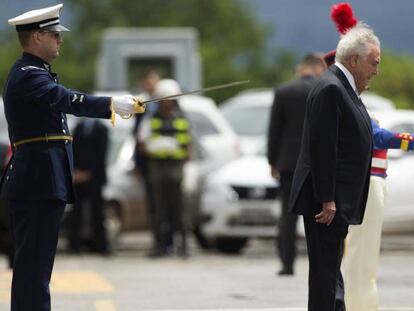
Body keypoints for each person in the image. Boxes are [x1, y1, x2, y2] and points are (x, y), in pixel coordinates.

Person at [1, 4, 145, 310]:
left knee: (37, 269)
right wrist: (110, 105)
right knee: (33, 271)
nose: (60, 40)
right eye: (54, 35)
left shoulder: (36, 74)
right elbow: (65, 99)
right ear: (37, 37)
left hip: (41, 183)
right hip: (36, 184)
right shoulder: (28, 76)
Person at [288, 23, 380, 310]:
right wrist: (327, 199)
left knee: (330, 272)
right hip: (326, 203)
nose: (376, 70)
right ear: (354, 60)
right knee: (325, 275)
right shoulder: (331, 88)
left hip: (336, 200)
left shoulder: (342, 87)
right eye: (373, 63)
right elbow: (323, 149)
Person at [267, 53, 326, 276]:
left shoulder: (283, 91)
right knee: (319, 214)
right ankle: (320, 263)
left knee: (288, 215)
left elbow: (275, 131)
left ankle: (287, 263)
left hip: (289, 163)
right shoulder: (323, 89)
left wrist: (273, 161)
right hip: (317, 161)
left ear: (299, 68)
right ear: (318, 68)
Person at [137, 79, 191, 258]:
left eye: (170, 99)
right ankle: (159, 245)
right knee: (159, 210)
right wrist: (156, 147)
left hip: (176, 168)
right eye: (164, 99)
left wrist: (177, 149)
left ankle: (183, 246)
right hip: (157, 168)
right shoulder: (150, 120)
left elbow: (189, 146)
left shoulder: (182, 120)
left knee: (179, 209)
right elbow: (141, 144)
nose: (167, 103)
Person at [69, 118, 109, 254]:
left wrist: (89, 172)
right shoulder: (78, 127)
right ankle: (75, 245)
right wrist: (76, 171)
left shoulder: (102, 128)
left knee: (97, 212)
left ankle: (100, 245)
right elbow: (73, 150)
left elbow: (101, 154)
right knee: (77, 212)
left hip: (95, 177)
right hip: (79, 177)